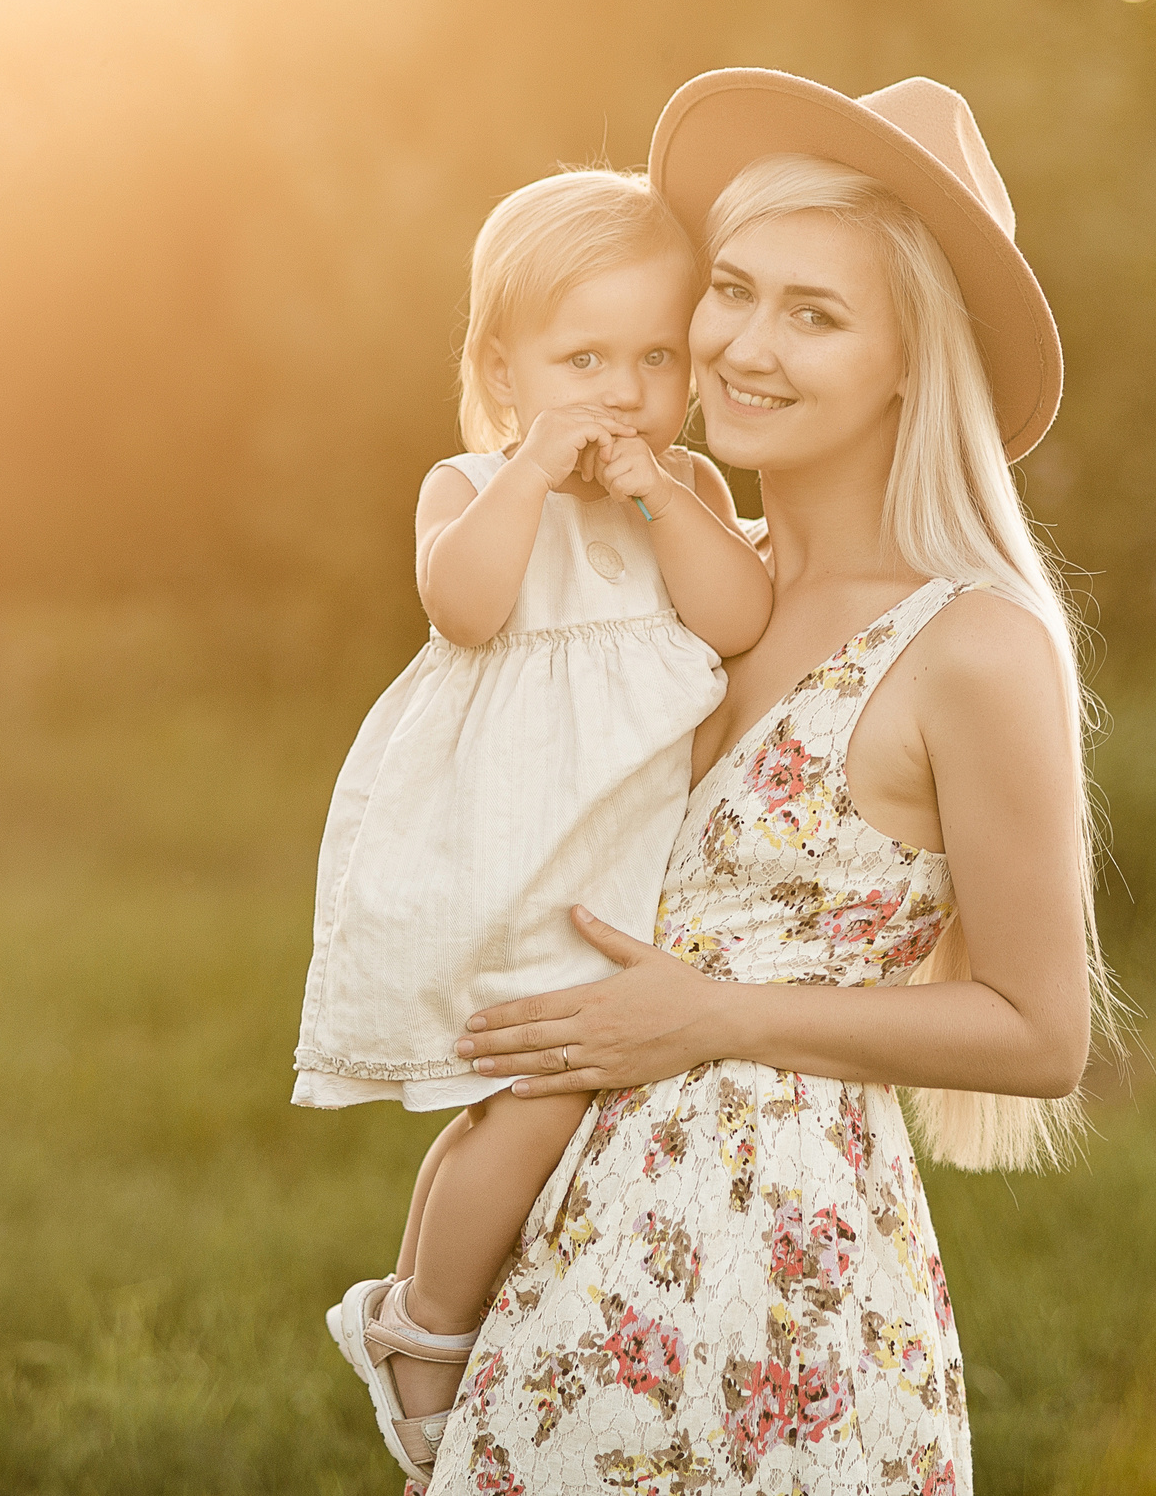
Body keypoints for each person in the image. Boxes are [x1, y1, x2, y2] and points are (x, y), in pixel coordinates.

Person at [421, 71, 1119, 1495]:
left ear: (912, 362)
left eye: (815, 313)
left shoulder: (969, 640)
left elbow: (1044, 1032)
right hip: (565, 1284)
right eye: (731, 290)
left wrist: (713, 1013)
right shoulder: (660, 578)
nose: (741, 342)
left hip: (791, 1309)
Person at [292, 167, 778, 1485]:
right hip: (512, 856)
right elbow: (466, 606)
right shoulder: (466, 483)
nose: (621, 392)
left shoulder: (673, 487)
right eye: (582, 359)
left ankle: (464, 1311)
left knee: (550, 1096)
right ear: (501, 365)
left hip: (626, 859)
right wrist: (525, 472)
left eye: (654, 357)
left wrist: (660, 494)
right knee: (532, 1089)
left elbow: (738, 616)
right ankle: (426, 1327)